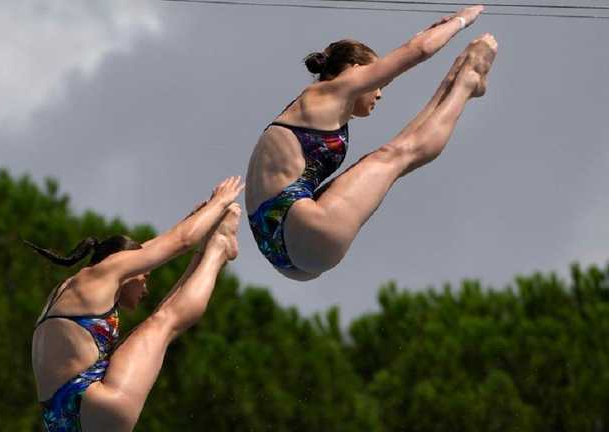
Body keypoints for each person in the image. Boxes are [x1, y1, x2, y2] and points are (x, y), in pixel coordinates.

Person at [245, 5, 497, 281]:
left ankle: (456, 78)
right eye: (379, 84)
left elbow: (414, 46)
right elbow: (418, 50)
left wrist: (429, 34)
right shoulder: (333, 90)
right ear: (355, 70)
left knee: (391, 153)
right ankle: (466, 83)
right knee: (397, 156)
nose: (379, 94)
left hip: (277, 245)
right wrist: (463, 19)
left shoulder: (308, 106)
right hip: (303, 230)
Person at [28, 176, 243, 431]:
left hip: (58, 421)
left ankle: (212, 244)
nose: (145, 288)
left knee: (162, 318)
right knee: (164, 321)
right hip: (95, 406)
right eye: (144, 277)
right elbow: (180, 242)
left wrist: (197, 217)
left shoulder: (75, 288)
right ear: (128, 271)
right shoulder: (106, 273)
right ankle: (218, 248)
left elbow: (158, 245)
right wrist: (220, 201)